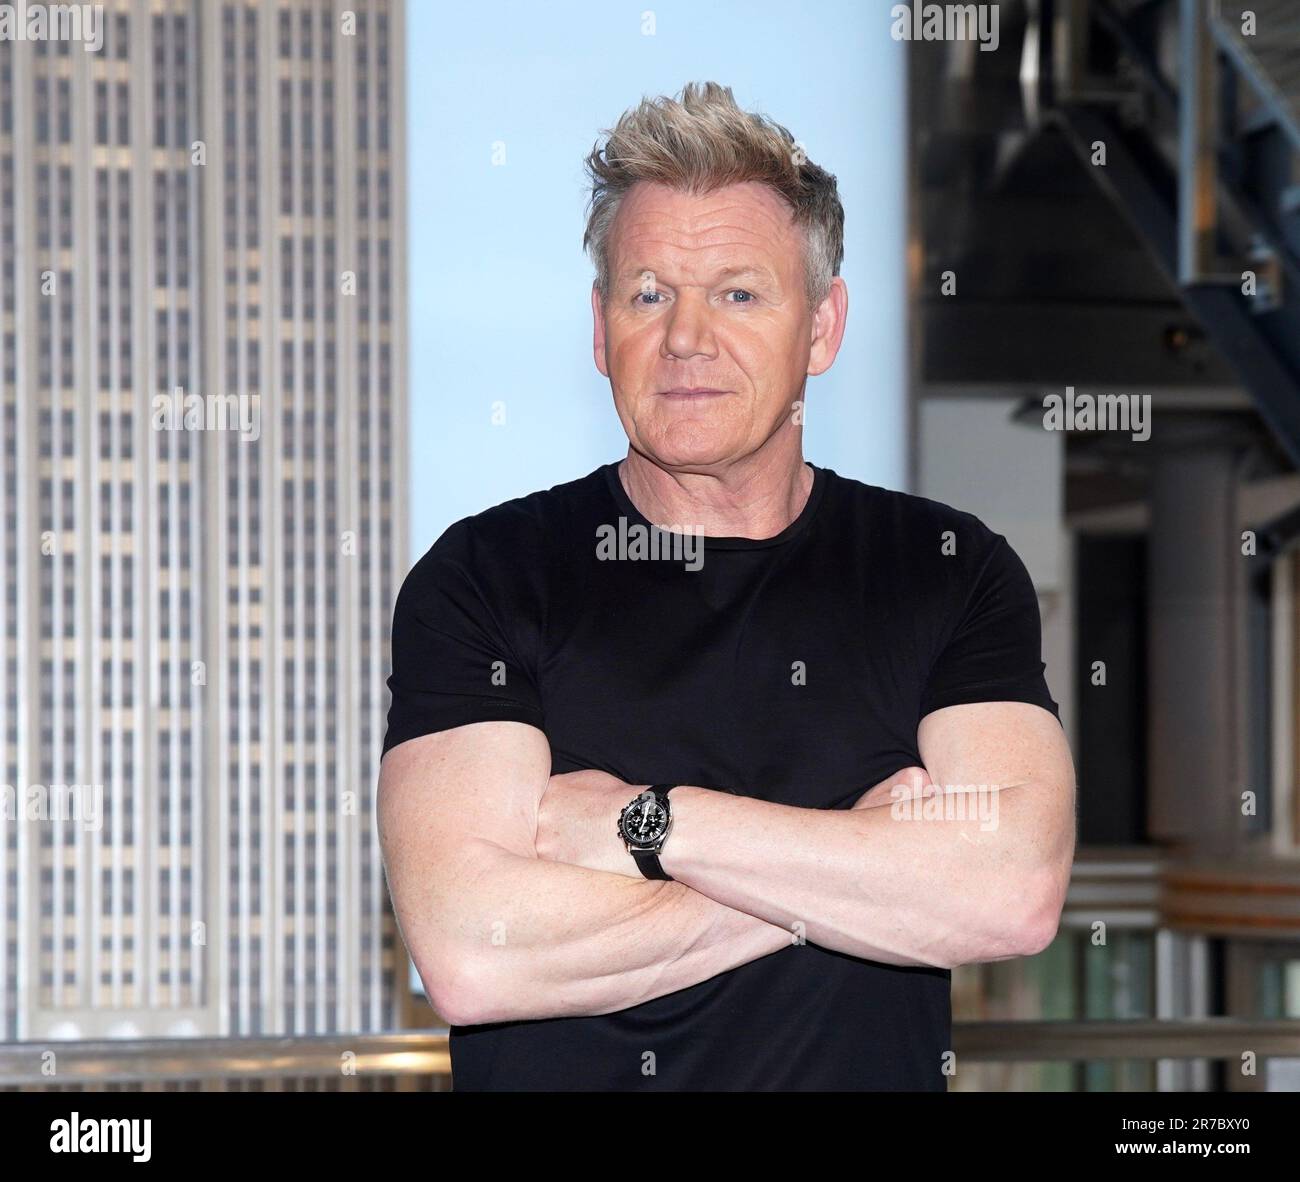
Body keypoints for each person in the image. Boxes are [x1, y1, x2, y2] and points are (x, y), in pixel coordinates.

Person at [377, 81, 1076, 1091]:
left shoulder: (944, 570)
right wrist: (859, 865)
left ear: (823, 329)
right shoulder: (483, 578)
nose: (685, 338)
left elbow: (1009, 895)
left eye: (738, 294)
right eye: (648, 293)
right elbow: (473, 955)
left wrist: (648, 827)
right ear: (598, 326)